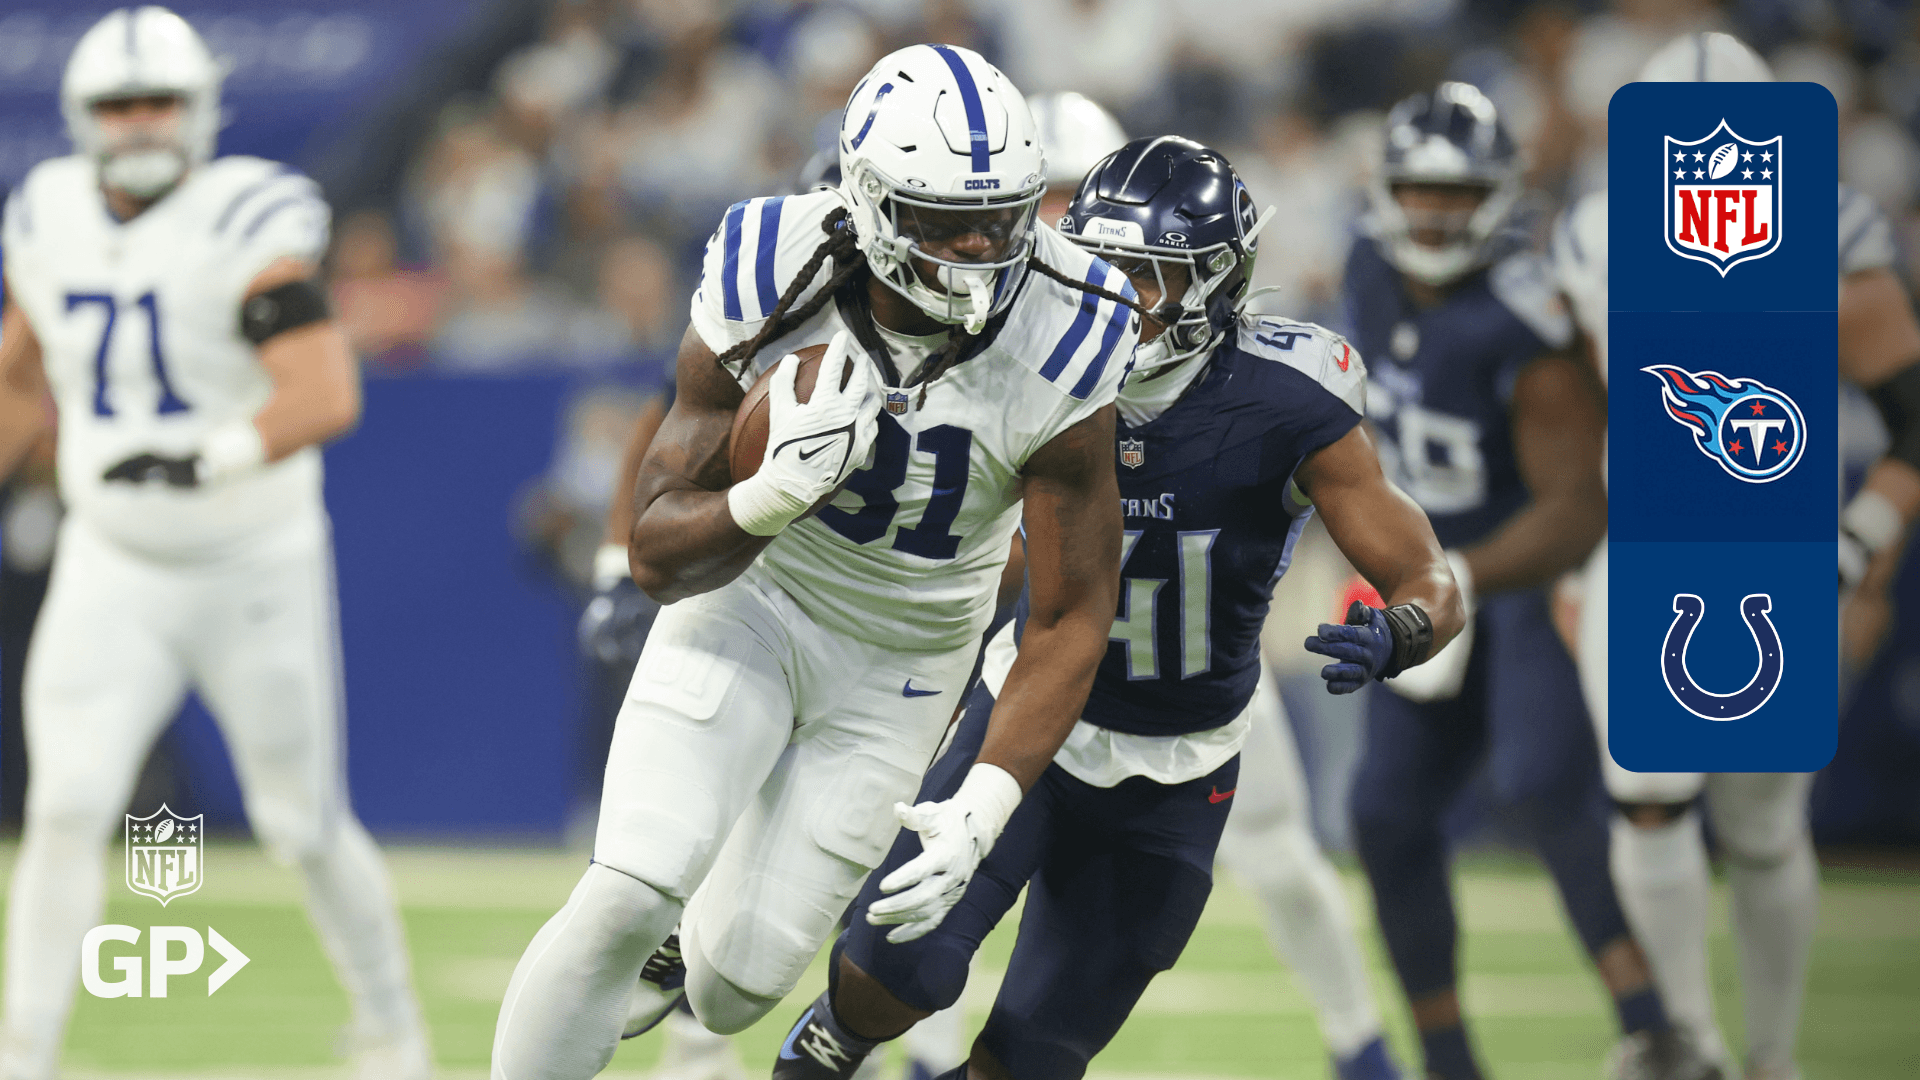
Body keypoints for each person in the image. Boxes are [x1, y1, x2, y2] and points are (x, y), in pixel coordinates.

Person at [491, 44, 1145, 1080]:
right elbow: (659, 550)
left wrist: (986, 801)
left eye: (1001, 217)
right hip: (758, 599)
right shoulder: (773, 262)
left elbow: (1073, 610)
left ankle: (690, 934)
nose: (981, 249)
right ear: (873, 204)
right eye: (946, 221)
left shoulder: (1076, 320)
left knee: (734, 988)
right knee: (625, 892)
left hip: (907, 658)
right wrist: (763, 498)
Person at [761, 135, 1467, 1080]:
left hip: (1179, 766)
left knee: (1033, 1058)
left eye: (1143, 274)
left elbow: (1427, 575)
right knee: (893, 972)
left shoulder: (1287, 398)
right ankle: (827, 1046)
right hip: (1032, 716)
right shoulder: (1024, 354)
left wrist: (1405, 628)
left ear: (1215, 283)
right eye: (1098, 264)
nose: (1110, 294)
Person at [0, 10, 431, 1079]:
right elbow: (22, 365)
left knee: (303, 822)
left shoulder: (247, 217)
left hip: (251, 565)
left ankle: (392, 1029)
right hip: (112, 560)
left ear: (200, 110)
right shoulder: (48, 211)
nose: (142, 123)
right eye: (120, 106)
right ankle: (22, 1051)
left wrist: (213, 456)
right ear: (82, 118)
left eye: (161, 101)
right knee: (65, 804)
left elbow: (324, 388)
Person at [1341, 83, 1713, 1080]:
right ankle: (1447, 1060)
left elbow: (1576, 508)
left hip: (1521, 576)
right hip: (1422, 577)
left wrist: (1457, 573)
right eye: (1418, 189)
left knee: (1542, 782)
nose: (1433, 212)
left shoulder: (1524, 320)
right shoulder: (1369, 270)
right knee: (1383, 813)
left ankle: (1656, 1025)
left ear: (1499, 196)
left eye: (1457, 193)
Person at [1552, 31, 1900, 1080]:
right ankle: (1692, 1050)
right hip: (1638, 540)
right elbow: (1570, 415)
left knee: (1761, 817)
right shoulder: (1594, 229)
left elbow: (1912, 412)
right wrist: (1570, 555)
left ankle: (1773, 1055)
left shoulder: (1829, 224)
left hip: (1775, 543)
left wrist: (1860, 542)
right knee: (1647, 794)